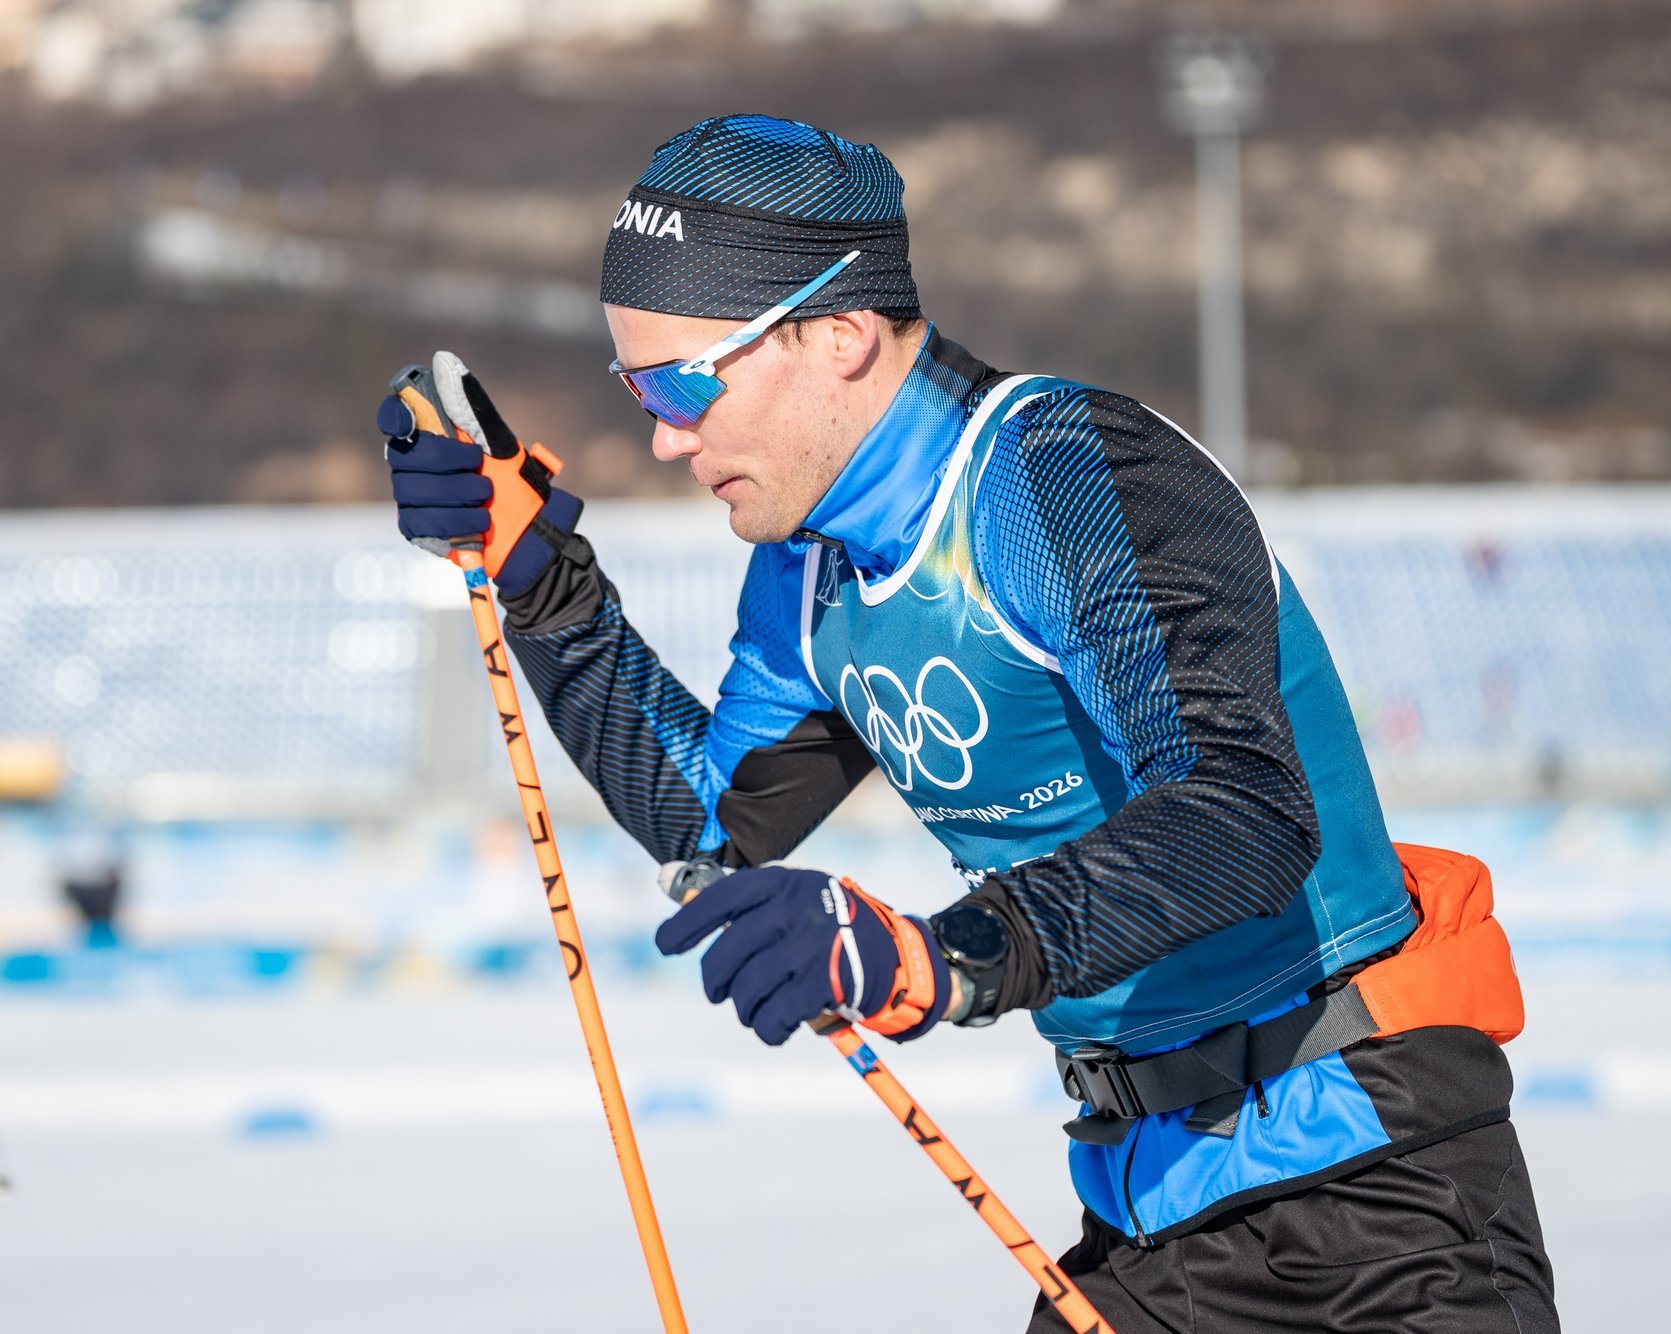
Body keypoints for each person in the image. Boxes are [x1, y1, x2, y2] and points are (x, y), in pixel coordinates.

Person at [378, 113, 1558, 1332]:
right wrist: (540, 579)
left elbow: (1242, 811)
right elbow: (709, 821)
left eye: (682, 381)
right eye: (635, 389)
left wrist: (943, 956)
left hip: (1374, 1185)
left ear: (839, 332)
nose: (666, 435)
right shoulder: (810, 572)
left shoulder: (1064, 474)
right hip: (1151, 1204)